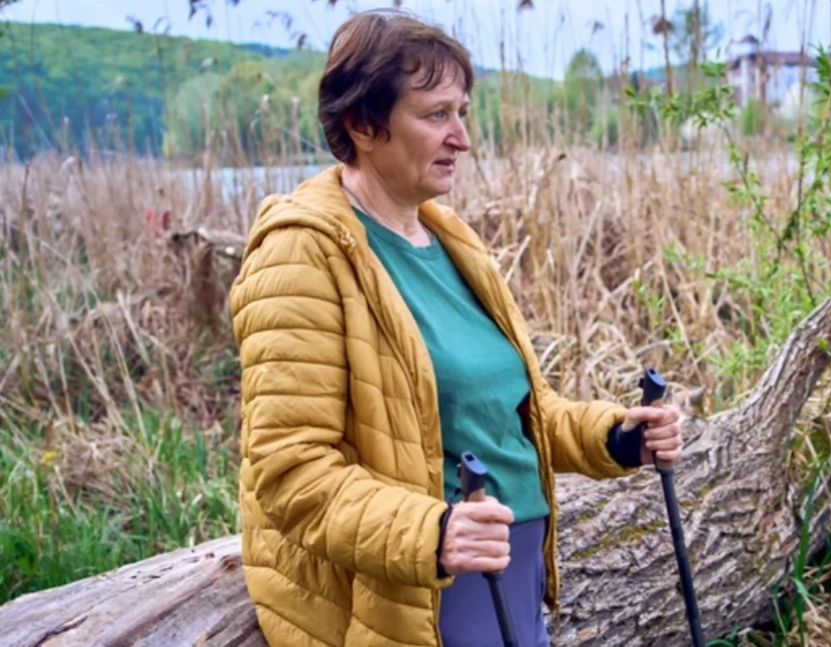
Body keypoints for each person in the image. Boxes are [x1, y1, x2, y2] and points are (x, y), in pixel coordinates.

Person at [228, 9, 683, 647]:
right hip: (422, 595)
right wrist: (433, 534)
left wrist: (613, 436)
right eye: (436, 114)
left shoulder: (447, 236)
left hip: (512, 567)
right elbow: (289, 471)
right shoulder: (301, 253)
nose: (462, 137)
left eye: (462, 112)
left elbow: (514, 412)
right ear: (363, 124)